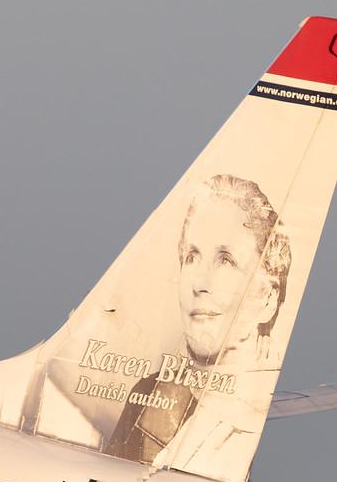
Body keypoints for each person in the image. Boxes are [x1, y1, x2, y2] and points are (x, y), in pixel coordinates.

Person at [103, 174, 284, 465]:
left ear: (267, 298)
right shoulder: (150, 394)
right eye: (192, 256)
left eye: (226, 260)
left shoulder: (241, 416)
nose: (200, 282)